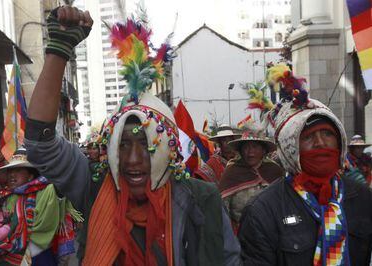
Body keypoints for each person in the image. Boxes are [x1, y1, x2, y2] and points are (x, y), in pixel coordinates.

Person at [24, 6, 241, 265]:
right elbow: (40, 144)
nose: (133, 159)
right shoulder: (92, 186)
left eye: (147, 143)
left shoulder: (202, 199)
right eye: (123, 144)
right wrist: (59, 50)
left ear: (169, 150)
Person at [238, 64, 372, 265]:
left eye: (327, 134)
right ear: (289, 147)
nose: (320, 143)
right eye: (309, 136)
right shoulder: (263, 210)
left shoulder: (362, 197)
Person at [219, 126, 284, 232]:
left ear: (263, 150)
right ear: (240, 151)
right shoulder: (231, 172)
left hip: (272, 231)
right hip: (241, 234)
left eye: (254, 147)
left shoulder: (275, 170)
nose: (250, 152)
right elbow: (221, 209)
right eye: (246, 148)